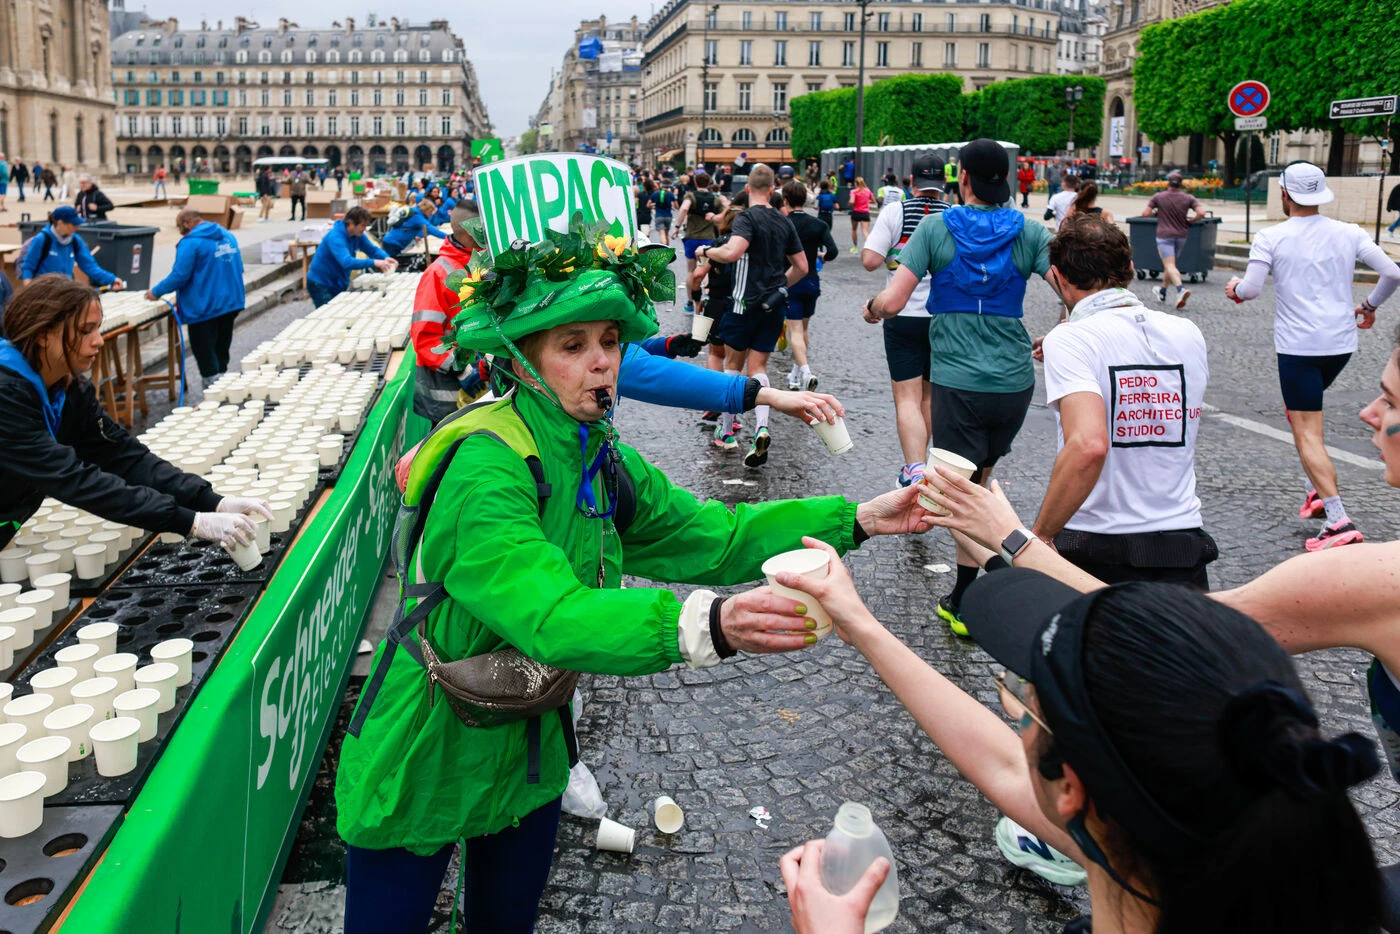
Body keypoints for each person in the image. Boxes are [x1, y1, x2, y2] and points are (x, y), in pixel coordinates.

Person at [335, 215, 931, 934]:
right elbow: (549, 613)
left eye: (611, 342)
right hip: (425, 746)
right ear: (522, 360)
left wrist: (859, 518)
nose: (602, 363)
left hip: (527, 747)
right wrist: (706, 623)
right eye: (573, 345)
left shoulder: (597, 451)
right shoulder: (485, 465)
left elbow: (706, 535)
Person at [778, 542, 1384, 934]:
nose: (1012, 703)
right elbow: (1013, 769)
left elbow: (1020, 770)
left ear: (1073, 788)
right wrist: (860, 625)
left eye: (1026, 694)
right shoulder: (1221, 853)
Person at [863, 138, 1052, 636]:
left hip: (958, 380)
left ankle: (1008, 579)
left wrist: (874, 308)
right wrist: (1056, 332)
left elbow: (896, 300)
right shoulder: (1030, 231)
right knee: (977, 485)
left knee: (955, 497)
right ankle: (964, 598)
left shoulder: (934, 226)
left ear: (963, 178)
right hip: (1013, 381)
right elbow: (1074, 287)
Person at [0, 275, 272, 551]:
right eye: (85, 331)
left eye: (98, 328)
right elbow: (72, 479)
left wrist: (211, 501)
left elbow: (123, 456)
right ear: (43, 334)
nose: (99, 341)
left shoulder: (66, 386)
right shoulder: (6, 395)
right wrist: (190, 522)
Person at [1029, 214, 1215, 591]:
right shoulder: (1187, 332)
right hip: (1182, 544)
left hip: (1098, 543)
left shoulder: (1071, 340)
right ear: (1129, 268)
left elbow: (1088, 445)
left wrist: (1040, 536)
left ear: (1059, 278)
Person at [1226, 161, 1400, 551]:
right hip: (1340, 346)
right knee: (1303, 416)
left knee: (1307, 431)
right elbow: (1392, 273)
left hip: (1298, 348)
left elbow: (1252, 290)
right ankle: (1315, 492)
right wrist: (1369, 306)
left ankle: (1338, 520)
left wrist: (1235, 287)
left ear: (1285, 194)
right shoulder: (1349, 232)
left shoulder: (1271, 236)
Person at [696, 165, 808, 465]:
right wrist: (781, 285)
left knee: (733, 366)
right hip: (773, 306)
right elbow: (802, 267)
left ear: (748, 189)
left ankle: (727, 431)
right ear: (773, 190)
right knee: (758, 367)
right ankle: (761, 427)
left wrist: (707, 251)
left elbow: (732, 252)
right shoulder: (784, 222)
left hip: (743, 304)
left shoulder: (746, 217)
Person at [860, 153, 949, 488]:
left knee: (907, 398)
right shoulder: (952, 215)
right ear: (943, 184)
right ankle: (926, 465)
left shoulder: (897, 211)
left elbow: (869, 260)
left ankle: (914, 469)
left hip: (901, 313)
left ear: (911, 182)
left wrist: (896, 255)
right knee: (928, 396)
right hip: (940, 317)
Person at [146, 208, 245, 387]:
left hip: (204, 307)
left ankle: (214, 394)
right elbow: (239, 267)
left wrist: (155, 292)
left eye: (179, 226)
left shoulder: (191, 242)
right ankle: (224, 386)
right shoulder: (227, 236)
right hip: (231, 302)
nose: (180, 231)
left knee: (206, 355)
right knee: (221, 349)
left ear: (187, 223)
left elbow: (179, 275)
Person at [410, 201, 485, 423]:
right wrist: (461, 368)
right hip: (447, 396)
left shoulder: (481, 264)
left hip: (478, 390)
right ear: (473, 233)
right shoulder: (437, 275)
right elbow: (425, 338)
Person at [779, 181, 839, 393]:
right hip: (812, 281)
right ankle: (794, 375)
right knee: (804, 329)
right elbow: (832, 252)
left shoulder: (783, 223)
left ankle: (806, 373)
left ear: (785, 200)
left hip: (791, 280)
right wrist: (821, 255)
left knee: (795, 331)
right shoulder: (819, 225)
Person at [305, 206, 396, 308]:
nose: (365, 229)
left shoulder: (358, 235)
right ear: (351, 224)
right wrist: (374, 262)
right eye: (362, 225)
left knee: (339, 311)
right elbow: (346, 262)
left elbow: (372, 249)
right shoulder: (335, 237)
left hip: (338, 281)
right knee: (328, 315)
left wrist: (385, 258)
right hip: (321, 283)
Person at [19, 206, 124, 290]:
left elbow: (90, 266)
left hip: (66, 292)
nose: (77, 227)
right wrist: (29, 289)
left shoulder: (75, 241)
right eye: (74, 224)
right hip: (44, 293)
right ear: (60, 223)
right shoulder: (42, 240)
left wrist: (112, 279)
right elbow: (28, 267)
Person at [1141, 171, 1200, 309]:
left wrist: (1156, 213)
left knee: (1169, 265)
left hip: (1164, 235)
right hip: (1181, 235)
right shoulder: (1188, 198)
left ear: (1168, 183)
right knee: (1170, 265)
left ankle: (1180, 289)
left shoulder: (1159, 197)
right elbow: (1201, 212)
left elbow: (1145, 213)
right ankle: (1162, 291)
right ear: (1181, 184)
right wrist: (1191, 221)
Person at [675, 171, 723, 308]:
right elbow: (723, 216)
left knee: (691, 270)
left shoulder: (691, 196)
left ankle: (690, 302)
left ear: (695, 182)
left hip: (692, 237)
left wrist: (678, 226)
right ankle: (707, 295)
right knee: (706, 268)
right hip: (709, 238)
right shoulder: (715, 199)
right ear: (708, 184)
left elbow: (684, 208)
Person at [381, 201, 447, 260]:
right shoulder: (417, 217)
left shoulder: (414, 212)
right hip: (393, 243)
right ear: (427, 210)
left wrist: (414, 237)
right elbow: (431, 229)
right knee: (393, 263)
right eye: (430, 212)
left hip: (390, 241)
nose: (431, 214)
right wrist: (448, 237)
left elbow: (405, 226)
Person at [848, 178, 873, 253]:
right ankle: (870, 247)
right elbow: (873, 201)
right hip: (865, 213)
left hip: (856, 212)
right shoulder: (868, 191)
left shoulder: (853, 191)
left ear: (856, 184)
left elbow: (852, 201)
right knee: (865, 231)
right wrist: (866, 201)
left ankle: (855, 247)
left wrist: (850, 203)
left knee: (854, 229)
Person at [650, 181, 674, 246]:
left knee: (662, 235)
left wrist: (653, 206)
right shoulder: (671, 194)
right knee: (666, 235)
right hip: (668, 216)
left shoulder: (655, 194)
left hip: (659, 216)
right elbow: (676, 206)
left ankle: (664, 247)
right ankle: (667, 252)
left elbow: (648, 204)